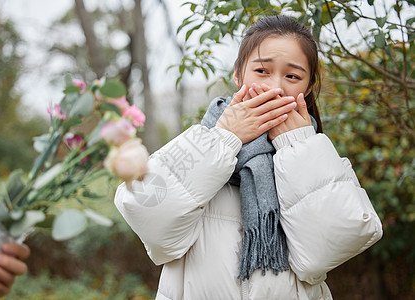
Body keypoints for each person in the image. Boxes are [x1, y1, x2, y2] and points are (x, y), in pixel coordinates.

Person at [114, 15, 381, 299]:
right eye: (262, 71)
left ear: (307, 87)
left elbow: (328, 251)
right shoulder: (203, 138)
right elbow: (145, 214)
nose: (275, 87)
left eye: (292, 76)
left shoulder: (315, 152)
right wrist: (224, 138)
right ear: (238, 74)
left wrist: (297, 146)